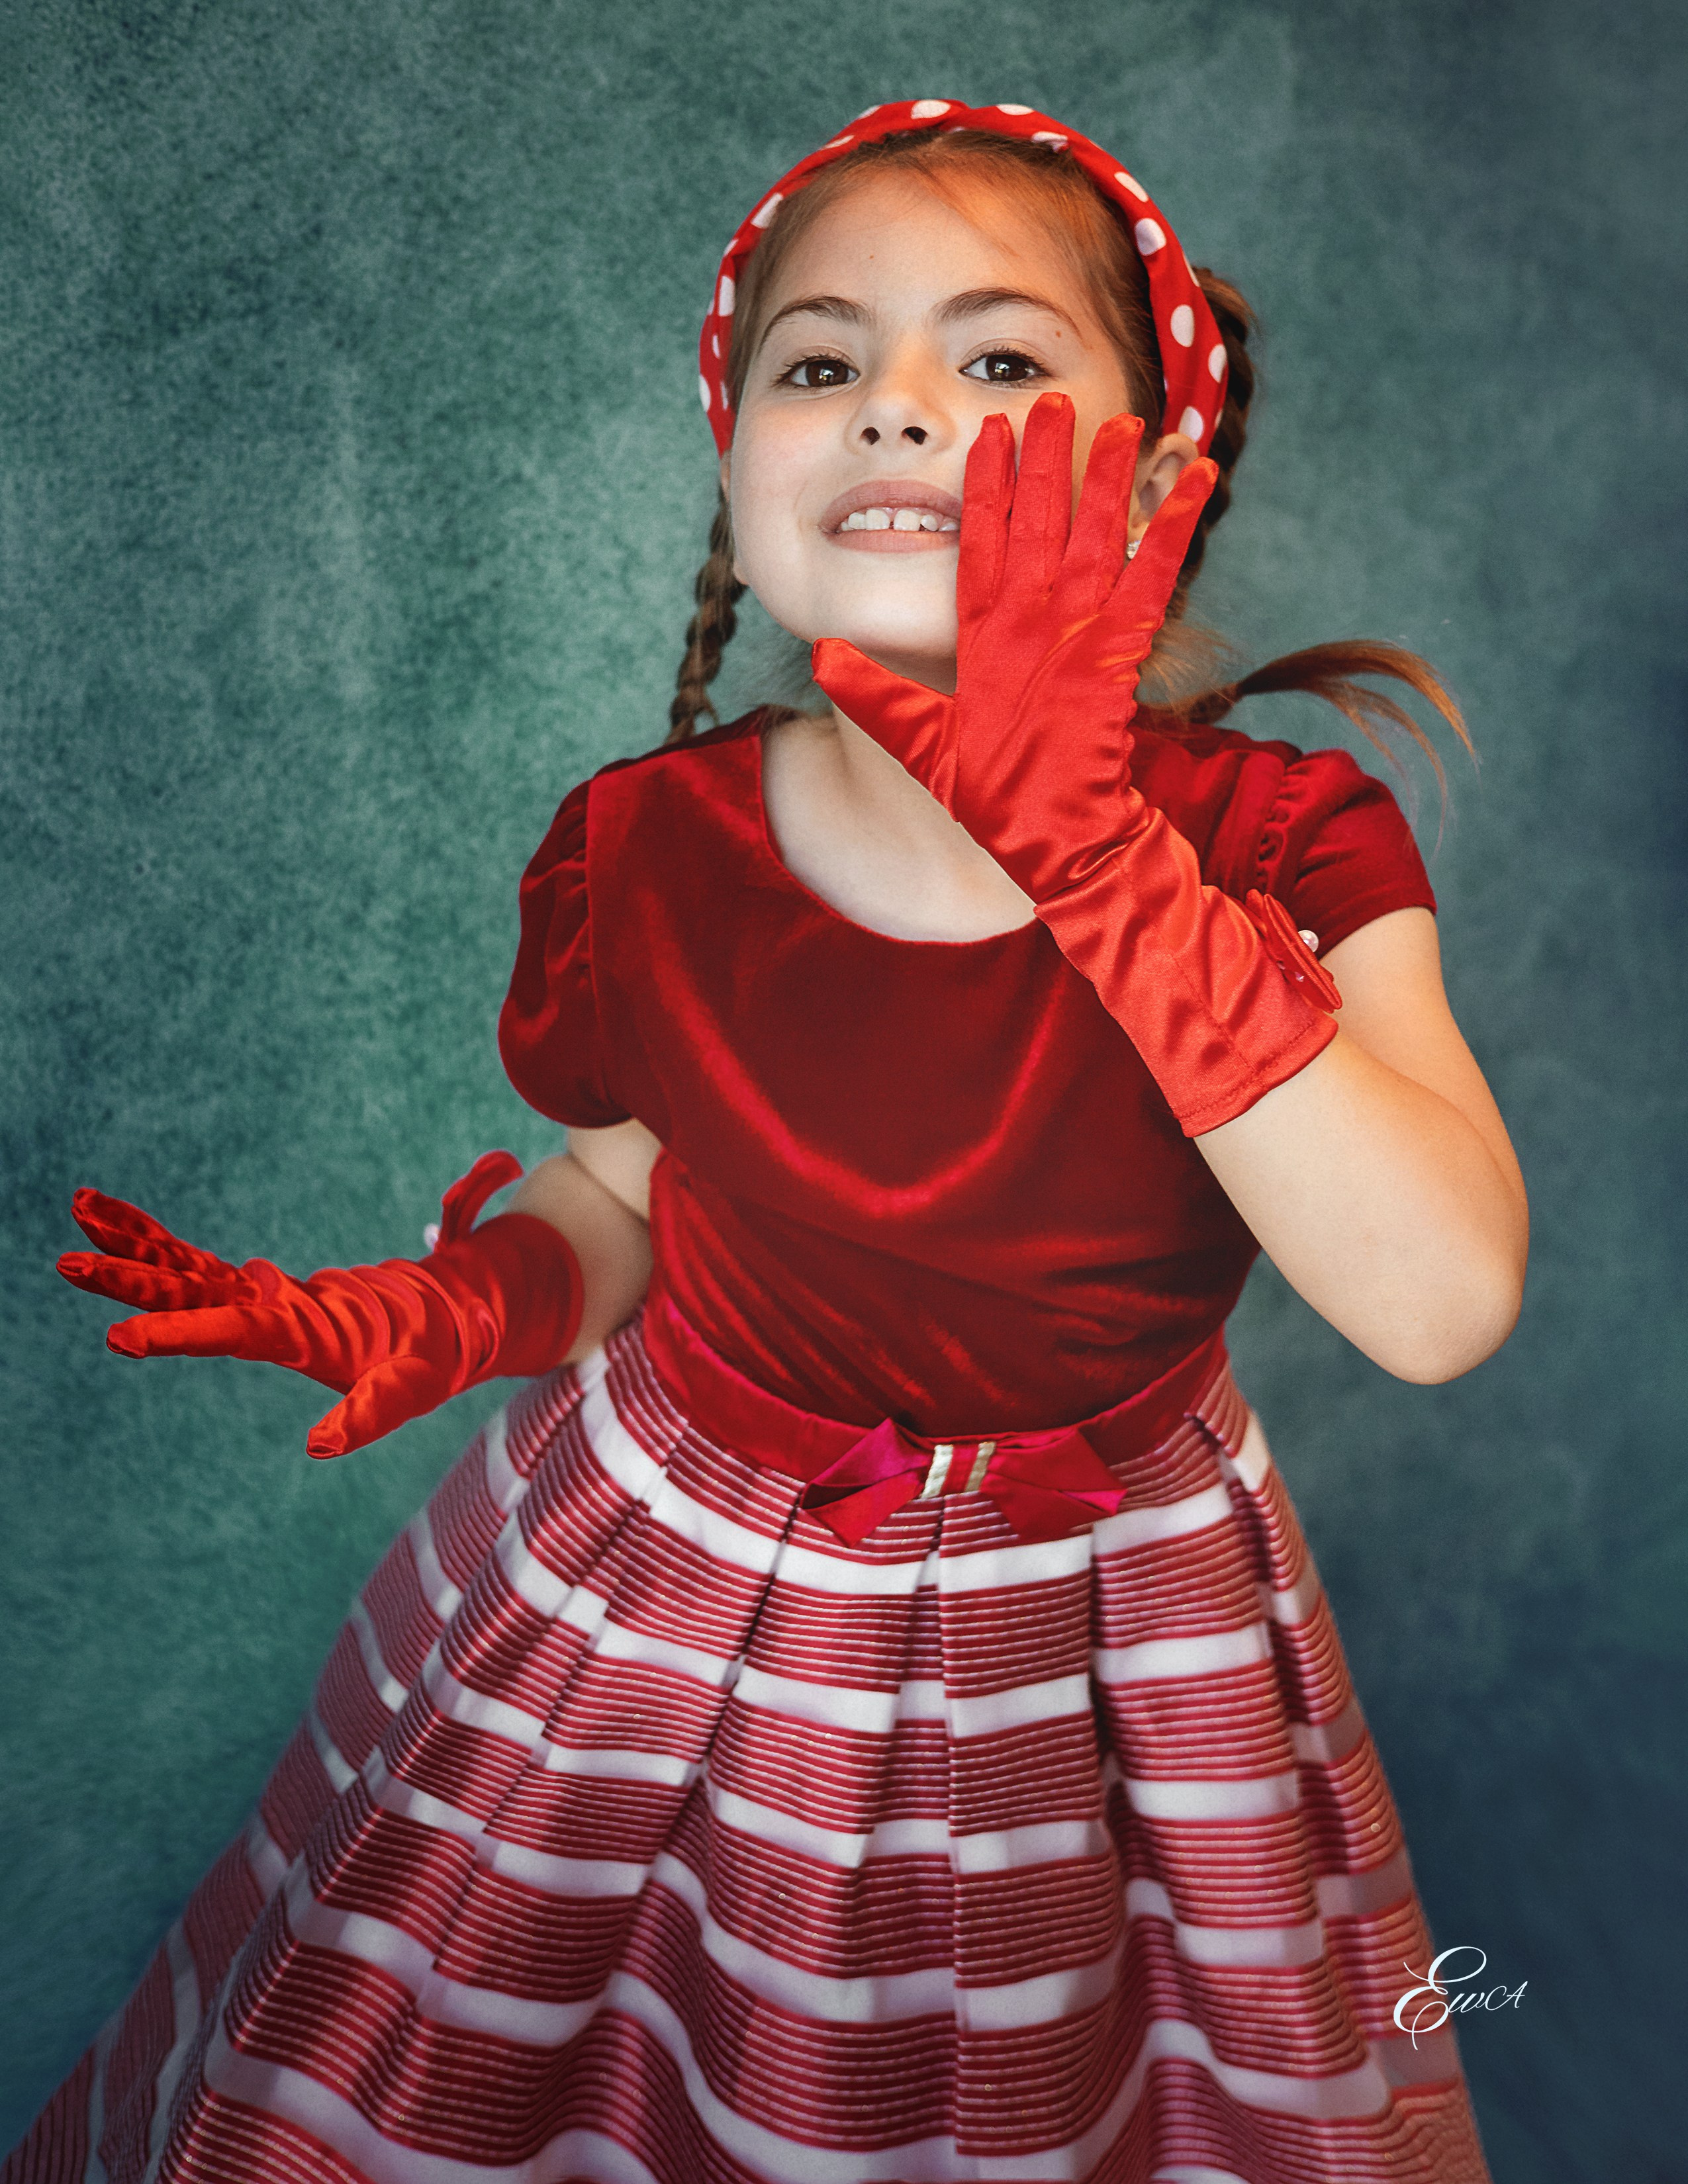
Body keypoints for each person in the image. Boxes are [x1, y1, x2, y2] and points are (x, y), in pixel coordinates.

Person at [7, 99, 1524, 2184]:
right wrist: (450, 1304)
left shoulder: (1276, 846)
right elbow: (628, 1189)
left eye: (997, 361)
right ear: (740, 466)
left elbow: (1439, 1295)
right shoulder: (650, 853)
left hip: (1105, 1645)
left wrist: (1093, 859)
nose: (897, 407)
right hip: (659, 1596)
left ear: (1158, 492)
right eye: (823, 361)